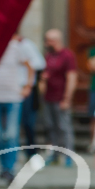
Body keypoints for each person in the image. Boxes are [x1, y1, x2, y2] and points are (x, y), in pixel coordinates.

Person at [0, 34, 37, 182]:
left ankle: (10, 168)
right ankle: (3, 167)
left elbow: (30, 66)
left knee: (11, 134)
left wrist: (28, 86)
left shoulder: (16, 47)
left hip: (13, 97)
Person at [39, 29, 78, 161]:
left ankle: (68, 155)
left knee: (64, 127)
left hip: (61, 97)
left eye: (49, 40)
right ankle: (55, 154)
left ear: (56, 41)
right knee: (51, 127)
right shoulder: (48, 55)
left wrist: (67, 98)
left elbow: (71, 77)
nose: (46, 43)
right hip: (48, 98)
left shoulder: (67, 55)